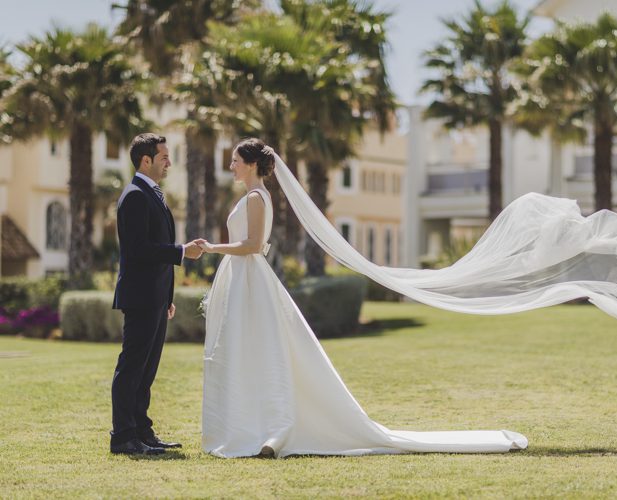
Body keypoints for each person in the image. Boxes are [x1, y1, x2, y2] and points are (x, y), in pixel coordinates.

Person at [197, 138, 528, 458]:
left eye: (236, 161)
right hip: (245, 277)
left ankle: (265, 427)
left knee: (255, 348)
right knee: (247, 349)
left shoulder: (256, 197)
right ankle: (252, 424)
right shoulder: (255, 195)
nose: (231, 166)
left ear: (252, 164)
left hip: (250, 277)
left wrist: (212, 248)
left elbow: (253, 245)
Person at [110, 133, 204, 455]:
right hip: (139, 297)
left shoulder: (153, 194)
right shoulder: (135, 195)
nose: (169, 162)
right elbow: (138, 250)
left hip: (155, 297)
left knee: (146, 371)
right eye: (164, 156)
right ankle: (123, 437)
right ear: (145, 160)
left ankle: (142, 432)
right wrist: (181, 252)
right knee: (132, 368)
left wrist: (167, 297)